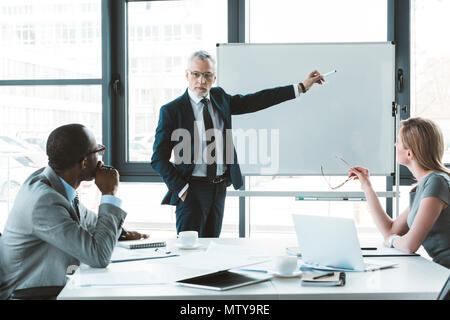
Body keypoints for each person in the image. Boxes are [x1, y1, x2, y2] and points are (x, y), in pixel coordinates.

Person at [151, 50, 324, 237]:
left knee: (212, 250)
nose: (201, 80)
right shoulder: (172, 110)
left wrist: (300, 87)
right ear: (187, 75)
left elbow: (257, 100)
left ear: (214, 77)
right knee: (189, 254)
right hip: (191, 190)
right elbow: (158, 159)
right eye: (196, 74)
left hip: (218, 189)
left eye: (207, 75)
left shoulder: (219, 98)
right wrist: (183, 190)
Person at [0, 124, 148, 299]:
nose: (101, 157)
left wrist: (121, 232)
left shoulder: (53, 182)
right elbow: (99, 257)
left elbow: (88, 220)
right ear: (84, 162)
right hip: (26, 294)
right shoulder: (44, 202)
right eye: (98, 150)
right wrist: (109, 193)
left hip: (49, 286)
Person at [348, 117, 450, 268]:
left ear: (410, 153)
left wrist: (391, 241)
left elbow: (409, 245)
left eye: (398, 141)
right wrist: (366, 186)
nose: (395, 145)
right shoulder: (426, 185)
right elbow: (390, 230)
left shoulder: (436, 182)